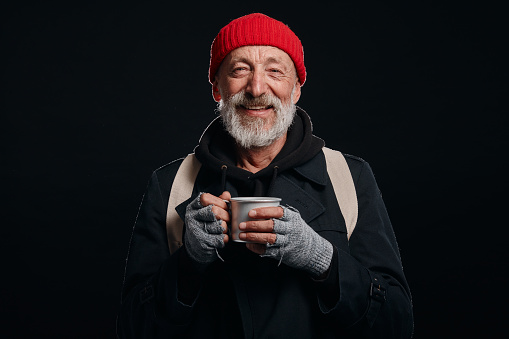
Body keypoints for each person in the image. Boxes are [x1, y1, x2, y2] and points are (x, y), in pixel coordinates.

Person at [117, 13, 413, 338]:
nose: (257, 88)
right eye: (240, 69)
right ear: (217, 87)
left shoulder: (349, 177)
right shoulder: (169, 184)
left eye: (274, 70)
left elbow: (396, 324)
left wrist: (322, 259)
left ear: (296, 88)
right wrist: (188, 262)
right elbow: (132, 329)